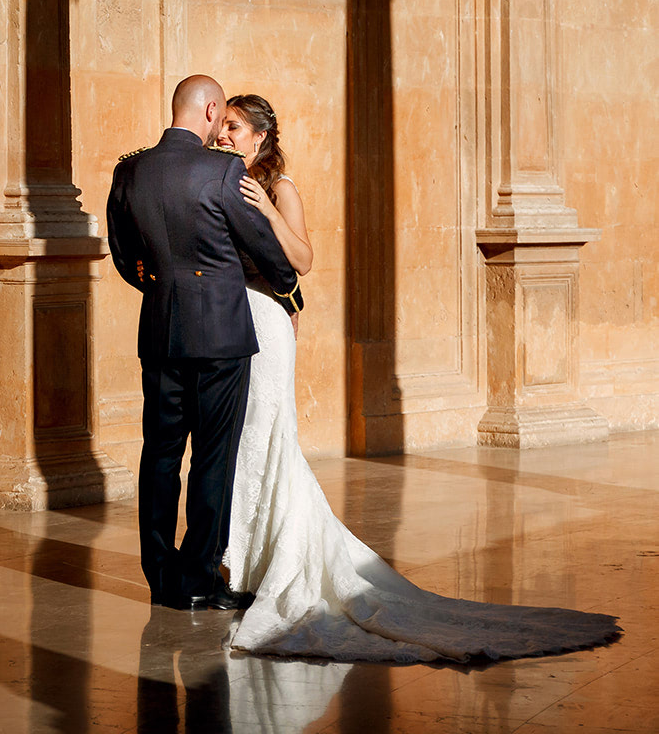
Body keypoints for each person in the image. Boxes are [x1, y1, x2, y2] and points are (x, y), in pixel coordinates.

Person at [217, 93, 620, 661]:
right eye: (223, 125)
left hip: (269, 326)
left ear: (260, 136)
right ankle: (239, 558)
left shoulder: (280, 189)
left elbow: (303, 259)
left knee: (267, 432)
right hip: (232, 323)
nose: (224, 133)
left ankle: (271, 559)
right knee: (241, 438)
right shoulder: (220, 181)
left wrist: (266, 210)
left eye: (234, 126)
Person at [106, 75, 302, 611]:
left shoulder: (129, 170)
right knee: (213, 457)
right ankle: (197, 579)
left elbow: (124, 256)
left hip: (160, 332)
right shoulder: (223, 171)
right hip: (221, 337)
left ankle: (159, 574)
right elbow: (272, 257)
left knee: (161, 454)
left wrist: (158, 283)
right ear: (212, 110)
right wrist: (284, 285)